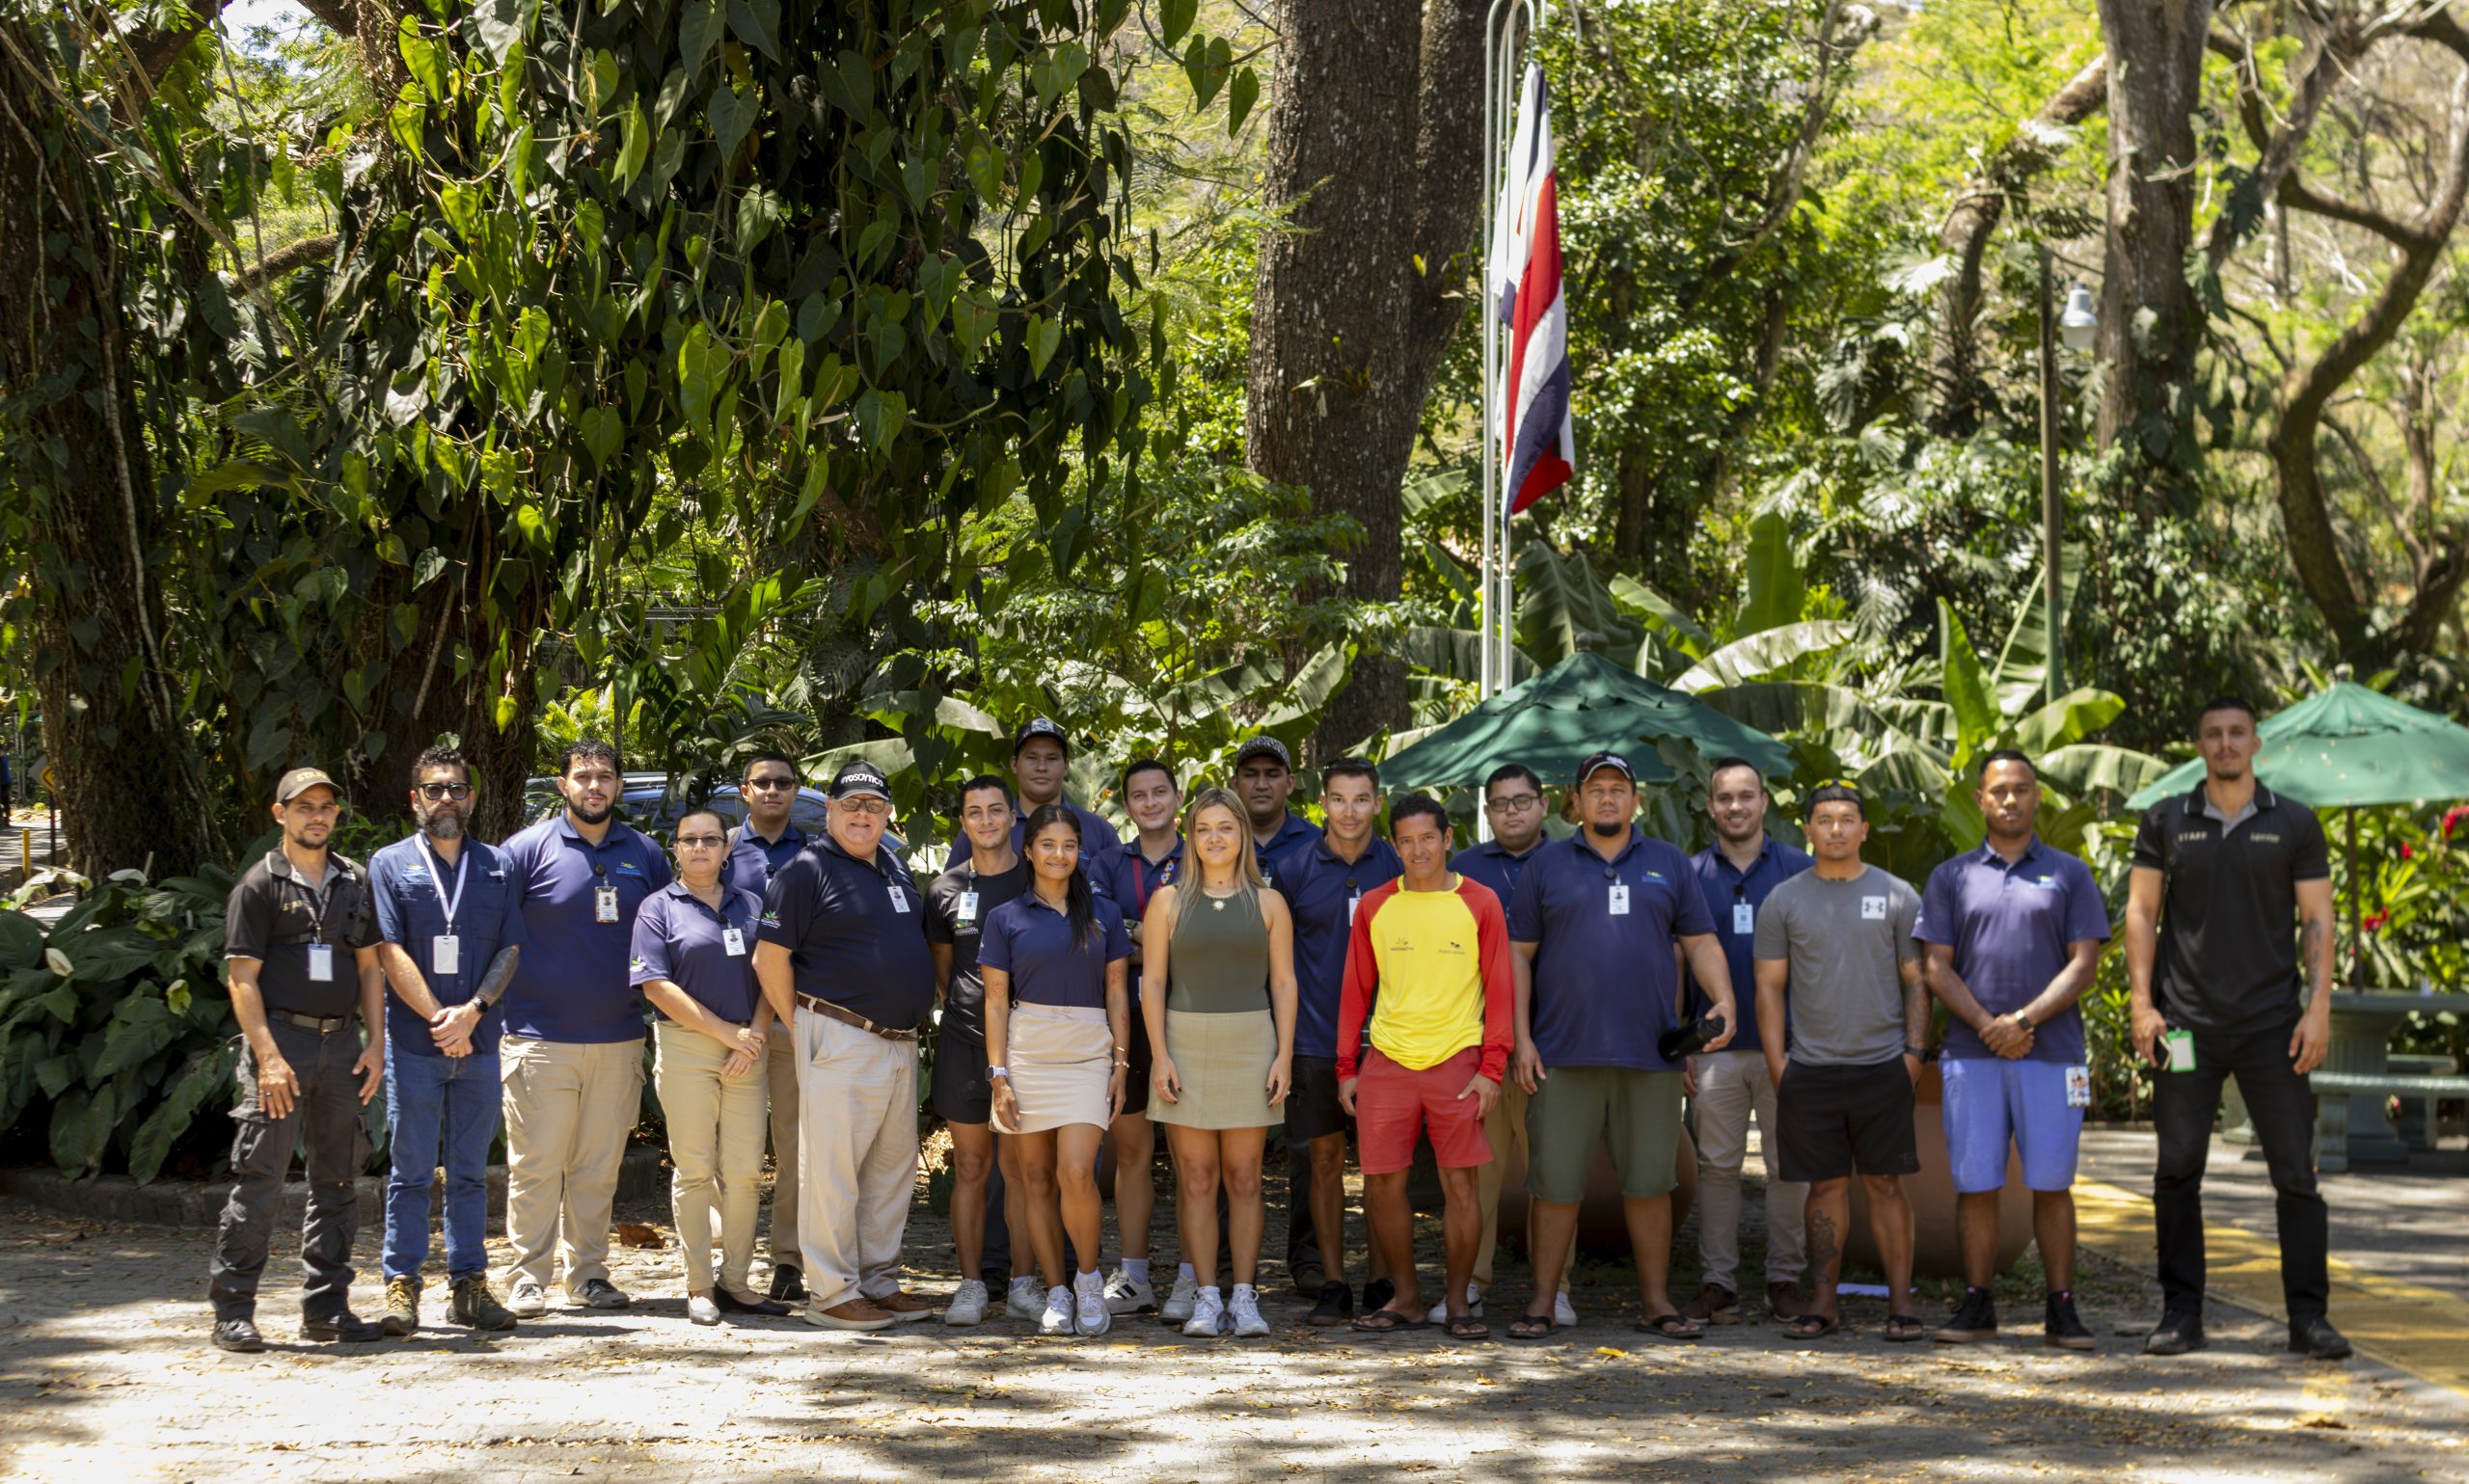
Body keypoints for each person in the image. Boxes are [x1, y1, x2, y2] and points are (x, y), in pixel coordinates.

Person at [2126, 696, 2349, 1361]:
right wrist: (2143, 1003)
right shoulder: (2167, 819)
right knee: (2177, 1169)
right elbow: (2141, 910)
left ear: (2258, 744)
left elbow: (2317, 919)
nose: (2226, 743)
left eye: (2237, 734)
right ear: (2200, 746)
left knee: (2295, 1176)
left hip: (2272, 1028)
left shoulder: (2295, 823)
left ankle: (2308, 1318)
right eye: (2214, 734)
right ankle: (2181, 1312)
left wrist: (2318, 1008)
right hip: (2185, 1027)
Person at [1506, 751, 1737, 1343]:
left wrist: (1723, 1000)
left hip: (1651, 1057)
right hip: (1563, 1055)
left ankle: (1656, 1303)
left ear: (1636, 799)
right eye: (1595, 789)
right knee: (1554, 1187)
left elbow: (1702, 940)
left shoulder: (1668, 864)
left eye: (1618, 788)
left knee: (1651, 1185)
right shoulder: (1546, 866)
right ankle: (1542, 1302)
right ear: (1575, 801)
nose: (1607, 798)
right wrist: (1522, 1039)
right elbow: (1517, 957)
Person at [1918, 750, 2110, 1349]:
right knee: (1976, 1184)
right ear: (1980, 799)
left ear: (2036, 798)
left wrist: (2022, 1020)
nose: (2010, 799)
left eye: (2022, 789)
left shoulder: (2070, 874)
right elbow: (1934, 967)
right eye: (1998, 790)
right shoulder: (1951, 877)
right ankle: (1978, 1306)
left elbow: (2084, 965)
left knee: (2052, 1184)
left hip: (2052, 1054)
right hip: (1971, 1058)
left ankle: (2062, 1309)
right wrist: (1987, 1026)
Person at [754, 760, 939, 1331]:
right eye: (851, 804)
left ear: (888, 815)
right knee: (832, 1170)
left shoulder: (893, 868)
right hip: (839, 1035)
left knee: (891, 1170)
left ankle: (877, 1281)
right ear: (829, 810)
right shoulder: (806, 870)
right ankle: (832, 1292)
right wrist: (805, 1023)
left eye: (874, 806)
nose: (863, 814)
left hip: (898, 1043)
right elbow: (769, 957)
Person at [207, 767, 388, 1352]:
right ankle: (233, 1310)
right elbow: (242, 980)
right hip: (281, 1047)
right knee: (260, 1180)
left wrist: (376, 1043)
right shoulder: (258, 886)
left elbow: (369, 968)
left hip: (341, 1049)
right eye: (304, 806)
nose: (317, 815)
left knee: (338, 1181)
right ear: (279, 813)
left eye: (326, 806)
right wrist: (268, 1058)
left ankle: (327, 1310)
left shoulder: (354, 882)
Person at [497, 740, 672, 1317]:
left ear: (619, 786)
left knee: (598, 1168)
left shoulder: (645, 855)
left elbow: (670, 934)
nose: (593, 786)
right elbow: (494, 936)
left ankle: (589, 1275)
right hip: (537, 1037)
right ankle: (527, 1277)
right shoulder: (524, 850)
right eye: (583, 776)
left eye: (604, 777)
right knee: (537, 1165)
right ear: (563, 784)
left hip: (619, 1038)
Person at [1753, 780, 1927, 1342]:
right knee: (1824, 1189)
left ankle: (1901, 1305)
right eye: (1824, 819)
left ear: (1863, 830)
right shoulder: (1784, 900)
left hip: (1883, 1067)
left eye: (1847, 819)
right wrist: (1780, 1064)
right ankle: (1823, 1302)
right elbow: (1769, 989)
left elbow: (1916, 982)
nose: (1835, 828)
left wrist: (1914, 1055)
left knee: (1885, 1186)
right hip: (1812, 1070)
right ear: (1806, 829)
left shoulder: (1898, 895)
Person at [1337, 795, 1512, 1339]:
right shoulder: (1375, 905)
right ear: (1394, 845)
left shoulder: (1481, 903)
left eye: (1427, 838)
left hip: (1458, 1059)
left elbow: (1501, 989)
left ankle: (1458, 1301)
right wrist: (1347, 1066)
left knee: (1461, 1185)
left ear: (1448, 838)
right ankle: (1407, 1298)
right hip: (1387, 1060)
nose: (1418, 849)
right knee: (1382, 1185)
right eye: (1407, 840)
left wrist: (1492, 1067)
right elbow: (1354, 990)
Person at [368, 746, 524, 1336]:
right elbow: (389, 951)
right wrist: (441, 1019)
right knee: (409, 1172)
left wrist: (474, 1013)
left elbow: (510, 947)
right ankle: (401, 1288)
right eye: (434, 790)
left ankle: (469, 1288)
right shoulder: (387, 864)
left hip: (479, 1046)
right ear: (415, 800)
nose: (447, 800)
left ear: (473, 798)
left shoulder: (496, 866)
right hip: (415, 1044)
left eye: (458, 789)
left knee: (467, 1172)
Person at [1144, 786, 1297, 1338]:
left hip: (1251, 1043)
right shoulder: (1166, 901)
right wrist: (1160, 1054)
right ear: (1192, 836)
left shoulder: (1270, 902)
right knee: (1198, 1179)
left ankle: (1244, 1297)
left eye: (1225, 828)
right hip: (1183, 1043)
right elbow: (1153, 981)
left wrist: (1283, 1053)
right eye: (1205, 828)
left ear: (1242, 835)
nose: (1215, 838)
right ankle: (1206, 1297)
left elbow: (1283, 982)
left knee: (1247, 1179)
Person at [632, 809, 791, 1325]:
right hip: (687, 1046)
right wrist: (726, 1034)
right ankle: (699, 1284)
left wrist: (756, 1035)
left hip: (750, 1044)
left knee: (746, 1172)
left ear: (728, 849)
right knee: (696, 1169)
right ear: (675, 848)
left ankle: (737, 1283)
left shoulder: (753, 903)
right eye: (689, 840)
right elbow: (656, 985)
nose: (700, 848)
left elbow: (773, 970)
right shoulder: (657, 908)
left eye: (710, 840)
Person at [983, 804, 1134, 1336]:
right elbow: (996, 1002)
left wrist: (1121, 1063)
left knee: (1076, 1171)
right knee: (1035, 1179)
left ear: (1080, 851)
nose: (1058, 854)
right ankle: (1055, 1291)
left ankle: (1088, 1282)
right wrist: (998, 1074)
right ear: (1029, 850)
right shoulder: (1005, 917)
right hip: (1027, 1053)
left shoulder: (1105, 914)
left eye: (1068, 845)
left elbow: (1118, 991)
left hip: (1089, 1050)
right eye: (1047, 844)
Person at [1681, 757, 1812, 1327]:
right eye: (1725, 798)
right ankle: (1718, 1282)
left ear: (1764, 803)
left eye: (1747, 796)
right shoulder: (1688, 875)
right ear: (1711, 807)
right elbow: (1674, 965)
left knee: (1791, 1167)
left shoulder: (1802, 871)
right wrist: (1681, 1045)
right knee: (1717, 1168)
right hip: (1714, 1052)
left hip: (1792, 1050)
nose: (1736, 806)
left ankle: (1785, 1279)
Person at [1273, 756, 1402, 1326]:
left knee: (1380, 1167)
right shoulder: (1295, 867)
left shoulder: (1398, 866)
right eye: (1339, 799)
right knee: (1323, 1160)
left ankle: (1381, 1279)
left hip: (1388, 1043)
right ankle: (1332, 1281)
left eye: (1361, 799)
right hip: (1313, 1039)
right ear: (1322, 804)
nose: (1350, 811)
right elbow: (1277, 964)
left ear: (1377, 803)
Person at [1444, 762, 1573, 1327]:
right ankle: (1472, 1282)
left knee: (1554, 1172)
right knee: (1480, 1173)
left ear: (1544, 805)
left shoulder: (1573, 862)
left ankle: (1558, 1287)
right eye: (1500, 803)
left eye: (1523, 801)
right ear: (1486, 811)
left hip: (1557, 1043)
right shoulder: (1462, 871)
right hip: (1477, 1048)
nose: (1512, 811)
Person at [924, 775, 1033, 1326]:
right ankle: (970, 1285)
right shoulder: (945, 889)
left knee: (1022, 1171)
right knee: (970, 1165)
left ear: (1013, 817)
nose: (986, 820)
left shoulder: (1039, 876)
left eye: (996, 810)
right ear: (963, 823)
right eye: (975, 812)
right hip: (965, 1044)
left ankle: (1023, 1282)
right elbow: (946, 973)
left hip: (1032, 1046)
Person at [721, 748, 812, 1303]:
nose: (773, 791)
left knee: (798, 1147)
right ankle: (727, 1262)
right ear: (744, 790)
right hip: (731, 1026)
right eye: (763, 782)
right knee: (731, 1149)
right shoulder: (723, 848)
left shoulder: (818, 850)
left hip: (796, 1021)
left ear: (796, 790)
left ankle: (789, 1260)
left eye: (783, 782)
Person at [1096, 757, 1184, 1317]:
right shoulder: (1105, 863)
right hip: (1124, 1019)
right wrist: (1160, 937)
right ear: (1126, 805)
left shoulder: (1203, 855)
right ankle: (1134, 1275)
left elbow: (1207, 934)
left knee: (1191, 1153)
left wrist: (1137, 935)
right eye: (1139, 795)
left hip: (1191, 1020)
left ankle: (1194, 1274)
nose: (1150, 803)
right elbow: (1102, 933)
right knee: (1132, 1152)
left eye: (1160, 792)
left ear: (1178, 797)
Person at [947, 717, 1124, 869]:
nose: (1041, 767)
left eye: (1052, 758)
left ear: (1066, 767)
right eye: (1032, 758)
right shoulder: (985, 828)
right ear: (1014, 764)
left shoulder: (1098, 831)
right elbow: (952, 890)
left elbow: (1120, 897)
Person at [1232, 736, 1317, 883]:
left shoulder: (1317, 844)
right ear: (1236, 784)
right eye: (1250, 775)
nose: (1261, 785)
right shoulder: (1217, 842)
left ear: (1289, 784)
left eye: (1272, 775)